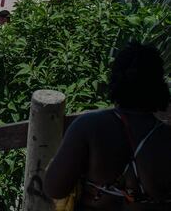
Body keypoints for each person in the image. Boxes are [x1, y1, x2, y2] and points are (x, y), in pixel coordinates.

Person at [44, 43, 171, 208]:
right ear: (158, 86)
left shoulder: (89, 126)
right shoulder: (166, 138)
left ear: (116, 80)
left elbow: (54, 188)